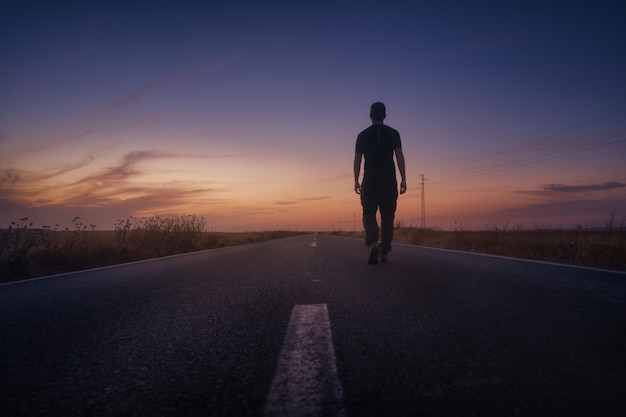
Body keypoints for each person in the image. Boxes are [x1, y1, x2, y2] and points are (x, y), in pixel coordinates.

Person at [354, 102, 407, 264]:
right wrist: (403, 179)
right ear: (385, 115)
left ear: (370, 116)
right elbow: (399, 157)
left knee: (369, 213)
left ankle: (372, 242)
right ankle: (384, 252)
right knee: (387, 217)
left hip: (370, 179)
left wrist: (356, 180)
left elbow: (357, 160)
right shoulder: (393, 133)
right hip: (389, 179)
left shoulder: (362, 135)